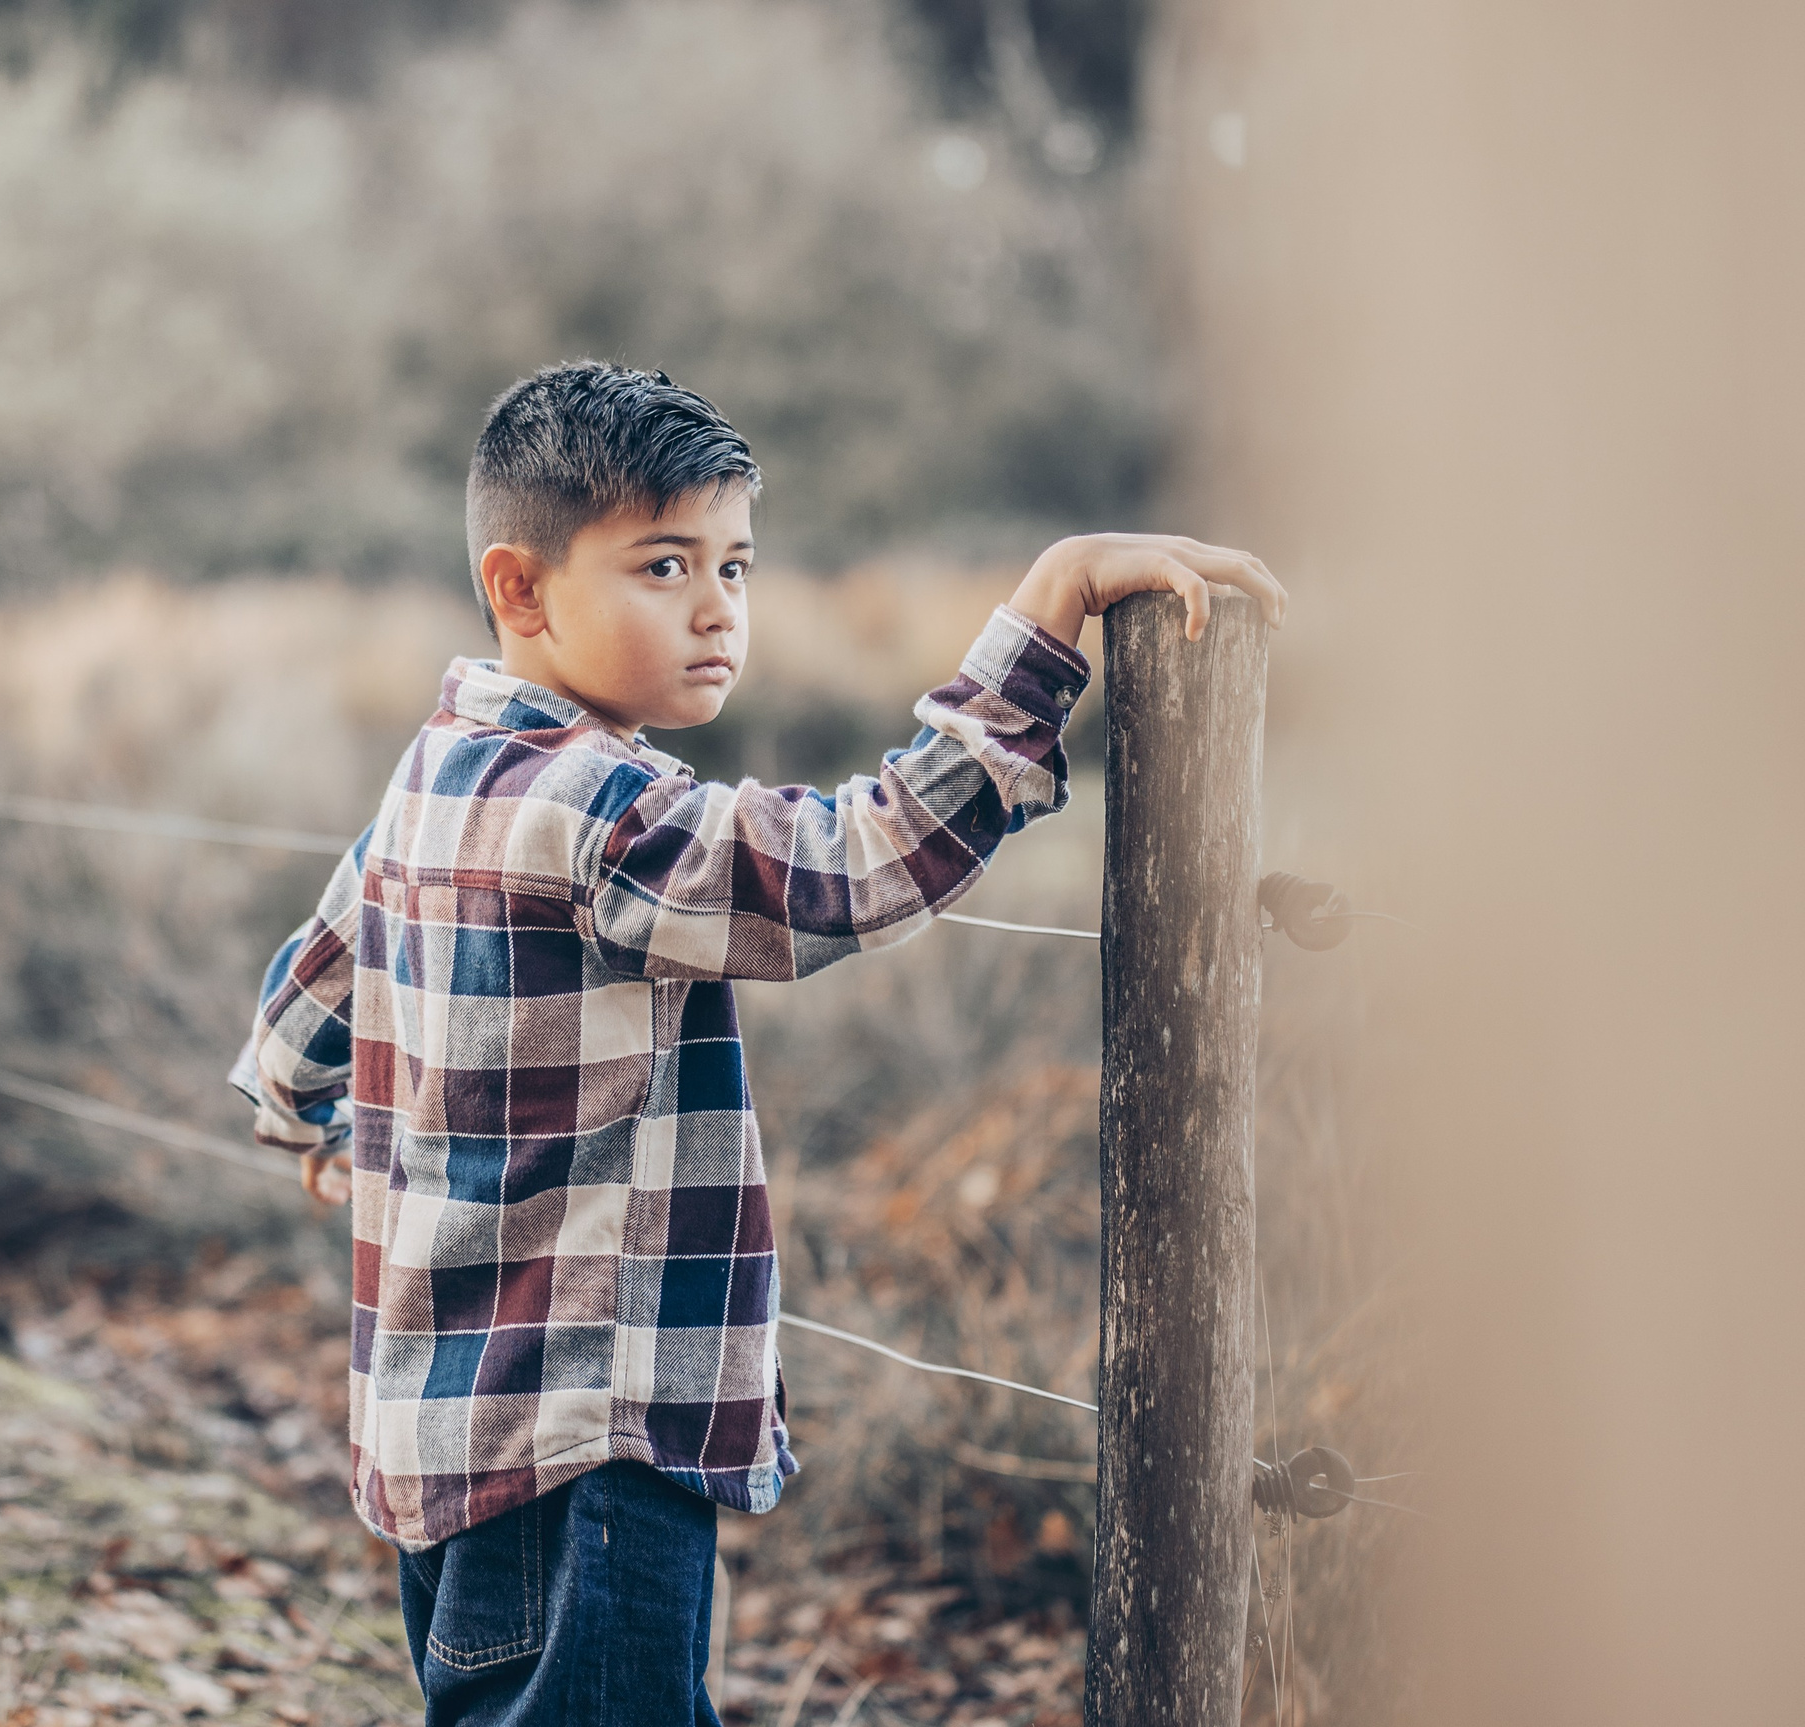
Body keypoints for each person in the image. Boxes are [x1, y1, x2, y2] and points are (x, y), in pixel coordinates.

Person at [231, 361, 1284, 1724]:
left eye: (736, 564)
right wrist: (1050, 610)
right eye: (663, 567)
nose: (718, 608)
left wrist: (313, 1121)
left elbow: (309, 1004)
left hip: (442, 1446)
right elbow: (844, 868)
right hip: (584, 1454)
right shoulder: (601, 808)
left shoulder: (441, 770)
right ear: (522, 589)